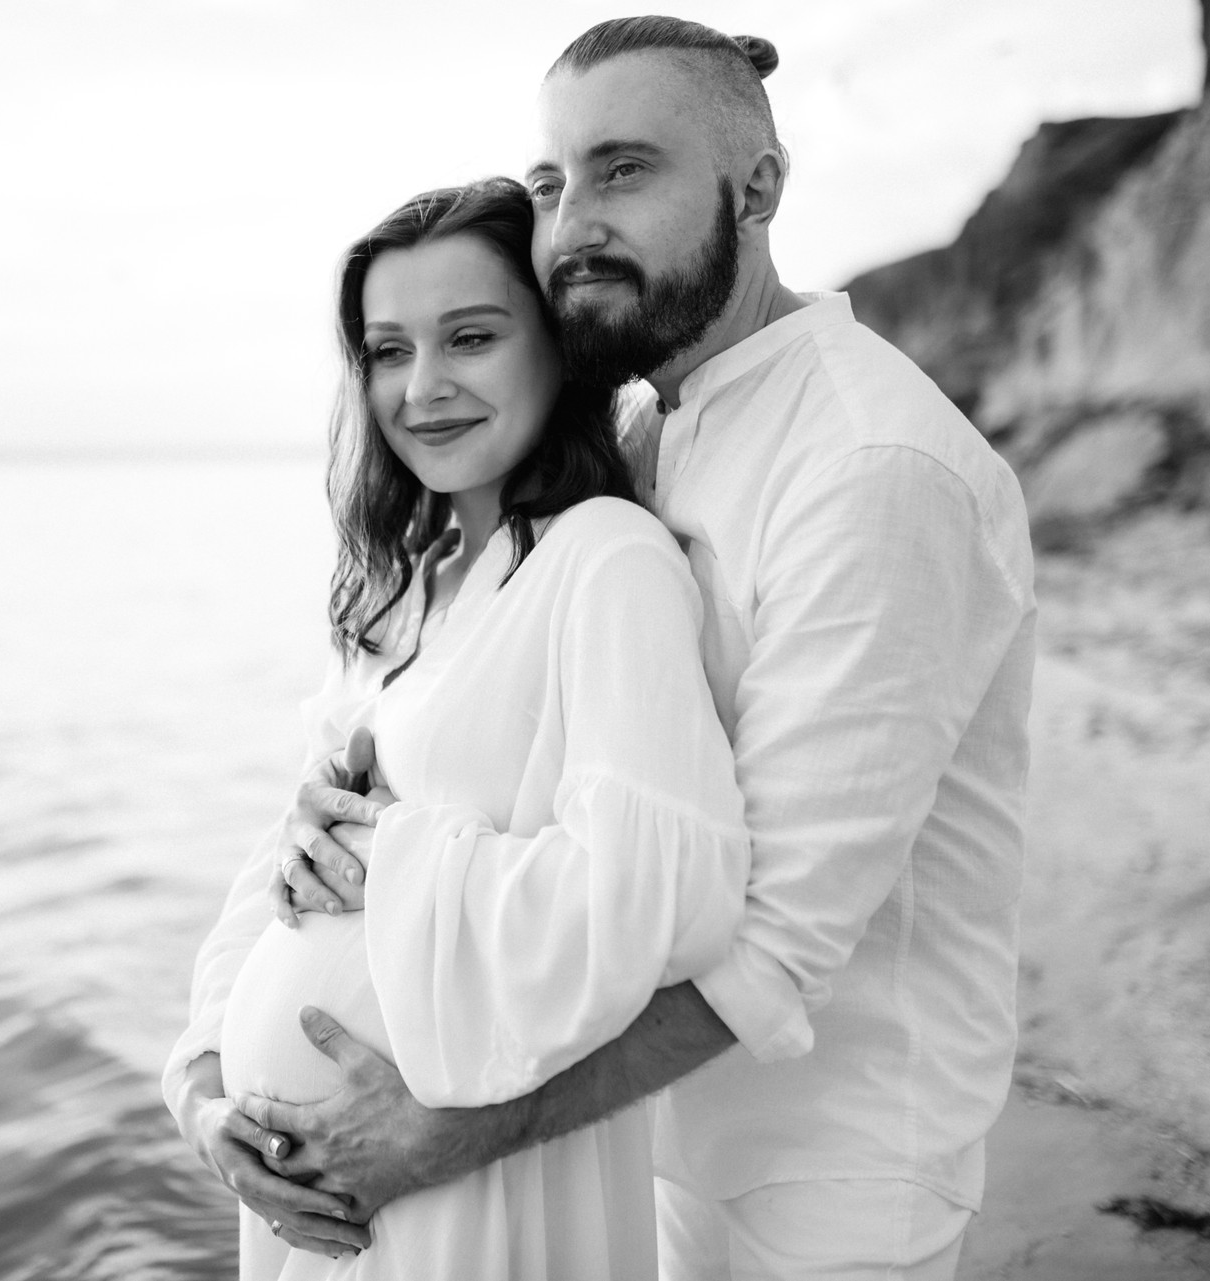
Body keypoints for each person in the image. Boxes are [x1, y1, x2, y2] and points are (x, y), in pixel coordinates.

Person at [208, 17, 1037, 1281]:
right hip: (621, 1133)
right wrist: (329, 831)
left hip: (825, 1174)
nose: (573, 223)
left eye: (624, 169)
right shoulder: (640, 431)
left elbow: (772, 946)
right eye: (551, 182)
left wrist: (441, 1134)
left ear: (756, 185)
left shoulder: (872, 466)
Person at [164, 178, 753, 1278]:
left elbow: (660, 896)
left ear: (557, 346)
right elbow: (281, 869)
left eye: (470, 338)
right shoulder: (411, 588)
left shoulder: (605, 561)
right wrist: (201, 1090)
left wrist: (392, 864)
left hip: (470, 1178)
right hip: (315, 1195)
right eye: (387, 351)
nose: (421, 389)